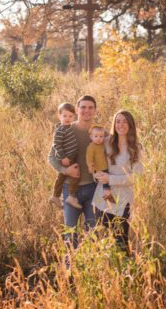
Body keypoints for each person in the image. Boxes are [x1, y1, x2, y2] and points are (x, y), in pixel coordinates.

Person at [48, 95, 100, 247]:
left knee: (93, 234)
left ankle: (91, 270)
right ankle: (70, 270)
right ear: (77, 110)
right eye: (83, 107)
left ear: (95, 111)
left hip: (92, 189)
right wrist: (65, 170)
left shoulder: (98, 133)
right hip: (71, 189)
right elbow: (51, 157)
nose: (86, 111)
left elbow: (112, 153)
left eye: (90, 107)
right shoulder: (66, 129)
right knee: (70, 236)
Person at [93, 110, 145, 253]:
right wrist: (97, 175)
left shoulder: (136, 148)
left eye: (124, 121)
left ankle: (124, 273)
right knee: (100, 241)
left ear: (131, 125)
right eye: (118, 121)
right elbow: (94, 161)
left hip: (123, 201)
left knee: (121, 242)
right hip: (103, 198)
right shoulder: (106, 143)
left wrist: (111, 178)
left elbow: (135, 177)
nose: (121, 124)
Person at [49, 103, 82, 209]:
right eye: (64, 116)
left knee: (62, 177)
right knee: (75, 175)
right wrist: (63, 157)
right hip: (66, 158)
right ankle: (70, 196)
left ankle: (56, 196)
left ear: (74, 116)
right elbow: (56, 145)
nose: (67, 118)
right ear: (59, 116)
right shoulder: (60, 130)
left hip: (70, 156)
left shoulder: (70, 127)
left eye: (70, 116)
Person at [86, 125, 116, 205]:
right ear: (91, 137)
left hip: (106, 167)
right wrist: (90, 166)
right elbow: (89, 158)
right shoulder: (91, 147)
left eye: (101, 136)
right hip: (98, 168)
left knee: (108, 182)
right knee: (104, 183)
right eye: (96, 136)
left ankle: (107, 196)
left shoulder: (103, 144)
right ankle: (107, 195)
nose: (99, 138)